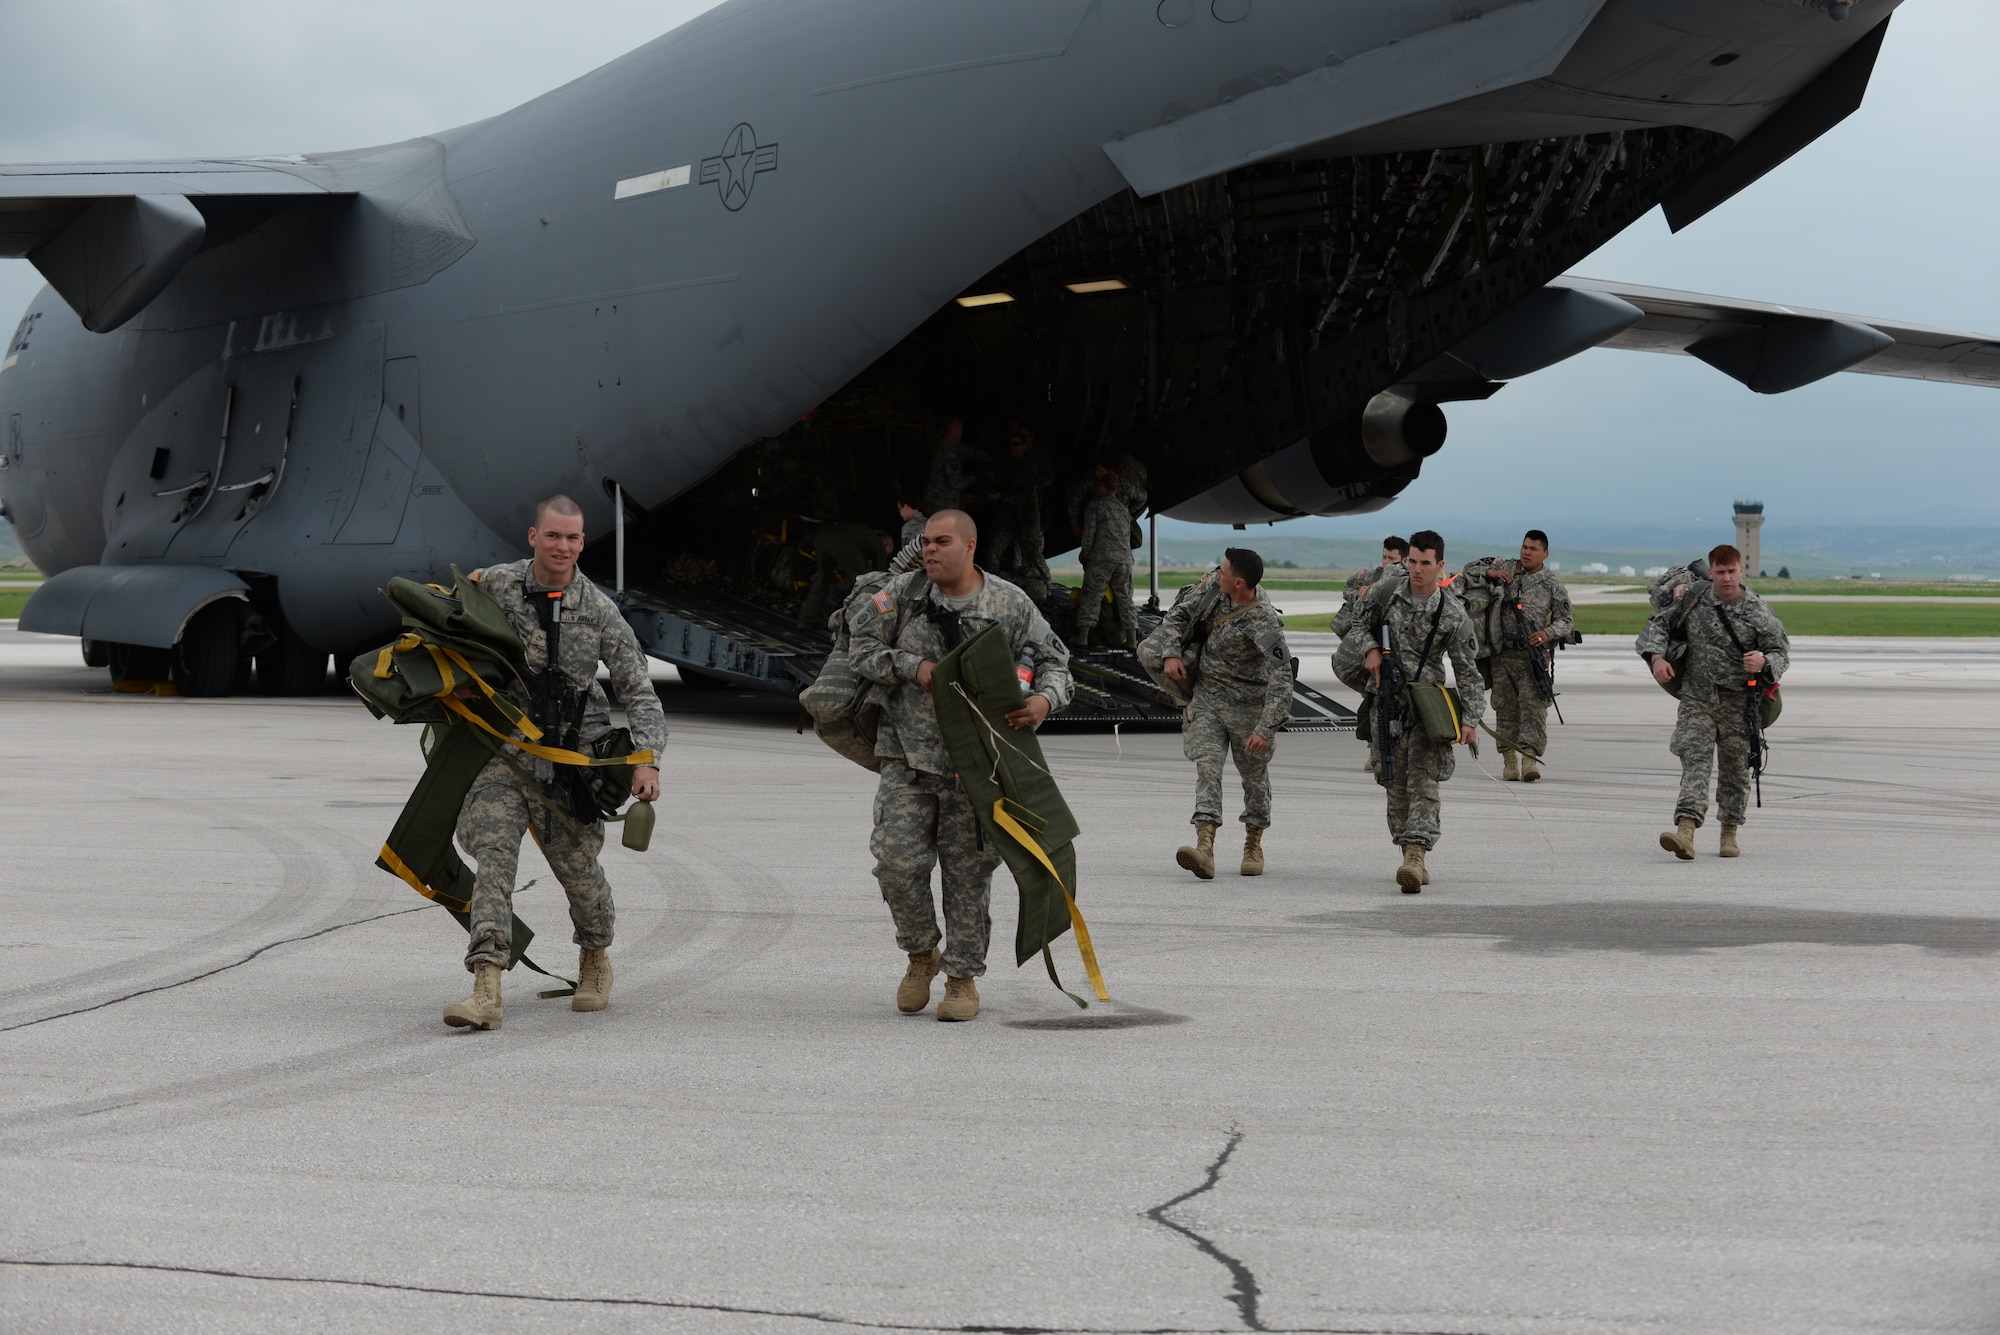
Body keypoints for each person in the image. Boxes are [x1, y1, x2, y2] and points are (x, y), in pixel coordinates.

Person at [444, 494, 666, 1031]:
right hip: (505, 755)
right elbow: (446, 626)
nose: (562, 546)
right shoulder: (494, 585)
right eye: (552, 536)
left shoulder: (599, 610)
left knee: (580, 874)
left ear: (582, 542)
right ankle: (487, 985)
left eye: (572, 537)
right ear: (532, 536)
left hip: (571, 762)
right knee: (495, 856)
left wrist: (647, 759)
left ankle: (594, 956)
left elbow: (640, 691)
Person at [847, 509, 1074, 1021]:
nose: (930, 550)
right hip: (907, 758)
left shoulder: (1009, 602)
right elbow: (858, 648)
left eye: (942, 541)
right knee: (896, 865)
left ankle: (962, 979)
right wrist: (914, 668)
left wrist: (1043, 702)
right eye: (926, 542)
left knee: (968, 875)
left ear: (970, 546)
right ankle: (920, 953)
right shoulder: (898, 596)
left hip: (978, 767)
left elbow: (1057, 662)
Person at [1334, 530, 1484, 893]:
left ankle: (1416, 855)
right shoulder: (1386, 593)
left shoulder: (1452, 613)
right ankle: (1407, 851)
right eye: (1413, 561)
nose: (1417, 570)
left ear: (1440, 566)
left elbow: (1468, 671)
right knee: (1392, 780)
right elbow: (1357, 619)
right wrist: (1370, 648)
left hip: (1426, 704)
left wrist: (1470, 719)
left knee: (1423, 778)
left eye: (1425, 563)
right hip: (1385, 701)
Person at [1636, 543, 1789, 859]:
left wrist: (1763, 662)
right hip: (1698, 697)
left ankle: (1729, 832)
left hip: (1738, 703)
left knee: (1734, 772)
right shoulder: (1693, 601)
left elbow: (1781, 653)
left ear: (1741, 571)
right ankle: (1686, 832)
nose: (1726, 579)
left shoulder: (1757, 611)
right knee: (1695, 761)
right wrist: (1656, 658)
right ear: (1712, 571)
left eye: (1732, 571)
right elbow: (1659, 624)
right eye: (1720, 572)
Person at [1160, 549, 1292, 879]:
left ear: (1240, 582)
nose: (1216, 574)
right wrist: (1171, 653)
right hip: (1208, 698)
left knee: (1255, 782)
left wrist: (1266, 727)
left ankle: (1253, 843)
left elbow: (1282, 675)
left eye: (1222, 571)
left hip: (1249, 706)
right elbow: (1176, 615)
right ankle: (1204, 848)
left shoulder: (1263, 621)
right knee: (1207, 768)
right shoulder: (1213, 590)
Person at [1468, 530, 1573, 781]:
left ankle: (1529, 760)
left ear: (1545, 554)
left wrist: (1547, 634)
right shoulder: (1505, 569)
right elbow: (1469, 570)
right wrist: (1491, 573)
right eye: (1524, 547)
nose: (1526, 552)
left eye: (1533, 549)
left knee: (1533, 709)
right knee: (1505, 709)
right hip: (1501, 655)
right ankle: (1509, 762)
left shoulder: (1552, 584)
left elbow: (1566, 621)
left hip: (1532, 657)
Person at [982, 421, 1055, 600]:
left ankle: (1047, 587)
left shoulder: (1031, 468)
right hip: (1009, 516)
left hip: (1028, 518)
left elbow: (1026, 496)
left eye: (1016, 445)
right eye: (1010, 444)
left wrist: (1002, 497)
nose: (1012, 448)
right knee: (994, 550)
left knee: (1035, 556)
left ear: (1025, 447)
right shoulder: (1006, 464)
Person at [1073, 475, 1138, 647]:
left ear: (1102, 487)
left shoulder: (1096, 506)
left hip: (1102, 557)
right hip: (1124, 559)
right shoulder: (1124, 509)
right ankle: (1132, 640)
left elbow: (1089, 534)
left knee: (1092, 595)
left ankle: (1083, 637)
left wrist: (1085, 554)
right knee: (1125, 598)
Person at [798, 522, 891, 629]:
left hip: (822, 539)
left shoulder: (863, 533)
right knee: (864, 584)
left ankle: (805, 621)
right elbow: (879, 580)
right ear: (888, 545)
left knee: (822, 580)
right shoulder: (878, 544)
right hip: (841, 543)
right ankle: (868, 623)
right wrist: (886, 608)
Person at [1332, 536, 1409, 638]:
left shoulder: (1407, 582)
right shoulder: (1370, 576)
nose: (1386, 562)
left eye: (1391, 559)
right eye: (1384, 557)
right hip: (1361, 635)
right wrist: (1357, 595)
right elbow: (1347, 588)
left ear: (1404, 560)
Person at [919, 416, 984, 516]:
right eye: (961, 430)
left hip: (937, 504)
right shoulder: (948, 454)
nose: (962, 433)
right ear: (954, 430)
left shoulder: (946, 446)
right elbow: (956, 483)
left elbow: (966, 452)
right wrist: (975, 479)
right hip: (940, 507)